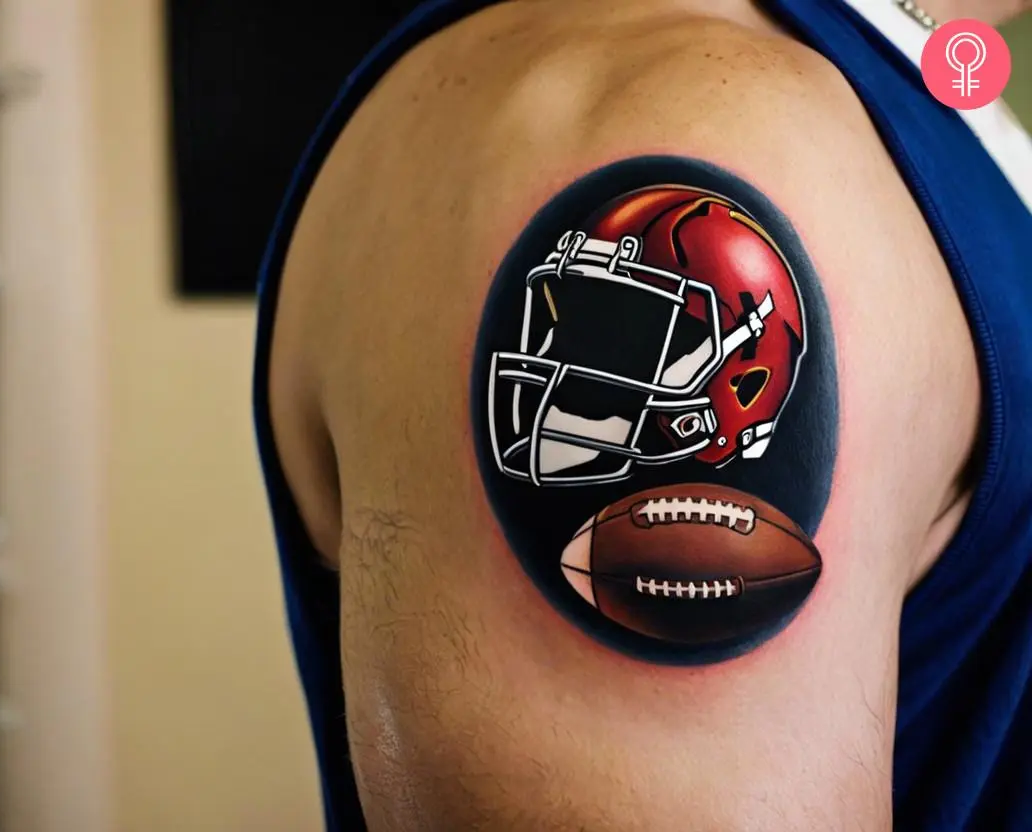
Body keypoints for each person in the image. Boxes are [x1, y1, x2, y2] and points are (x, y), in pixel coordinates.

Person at [252, 0, 1032, 828]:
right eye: (583, 324)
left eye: (624, 334)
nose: (568, 377)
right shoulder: (702, 115)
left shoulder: (905, 83)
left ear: (745, 373)